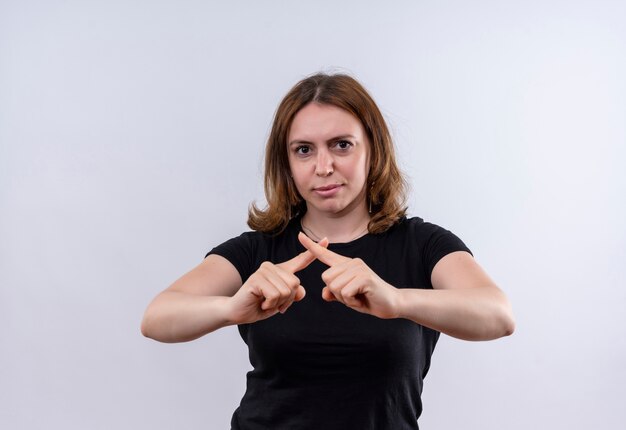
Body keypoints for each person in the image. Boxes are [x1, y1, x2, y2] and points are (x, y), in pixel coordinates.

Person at [141, 73, 515, 429]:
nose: (324, 167)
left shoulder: (422, 245)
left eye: (342, 145)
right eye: (304, 150)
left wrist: (398, 300)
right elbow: (157, 317)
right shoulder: (258, 250)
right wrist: (229, 309)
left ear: (373, 149)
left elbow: (498, 314)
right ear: (287, 164)